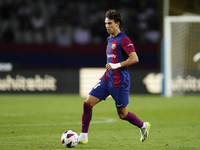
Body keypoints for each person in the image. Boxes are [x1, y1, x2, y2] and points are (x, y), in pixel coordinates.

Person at [78, 9, 151, 144]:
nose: (107, 26)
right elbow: (111, 60)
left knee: (122, 115)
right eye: (106, 23)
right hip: (107, 79)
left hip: (120, 81)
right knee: (87, 103)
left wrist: (117, 65)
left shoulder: (124, 39)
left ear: (117, 24)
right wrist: (106, 74)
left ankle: (143, 125)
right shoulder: (109, 39)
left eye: (110, 23)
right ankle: (83, 136)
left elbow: (135, 58)